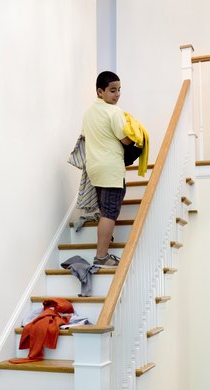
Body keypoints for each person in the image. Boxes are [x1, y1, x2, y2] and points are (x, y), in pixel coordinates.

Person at [82, 71, 133, 268]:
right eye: (113, 90)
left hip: (94, 168)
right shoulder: (114, 112)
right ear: (100, 91)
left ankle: (104, 241)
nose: (117, 94)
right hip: (110, 168)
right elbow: (126, 139)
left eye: (119, 90)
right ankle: (102, 255)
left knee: (105, 209)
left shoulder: (88, 113)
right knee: (110, 212)